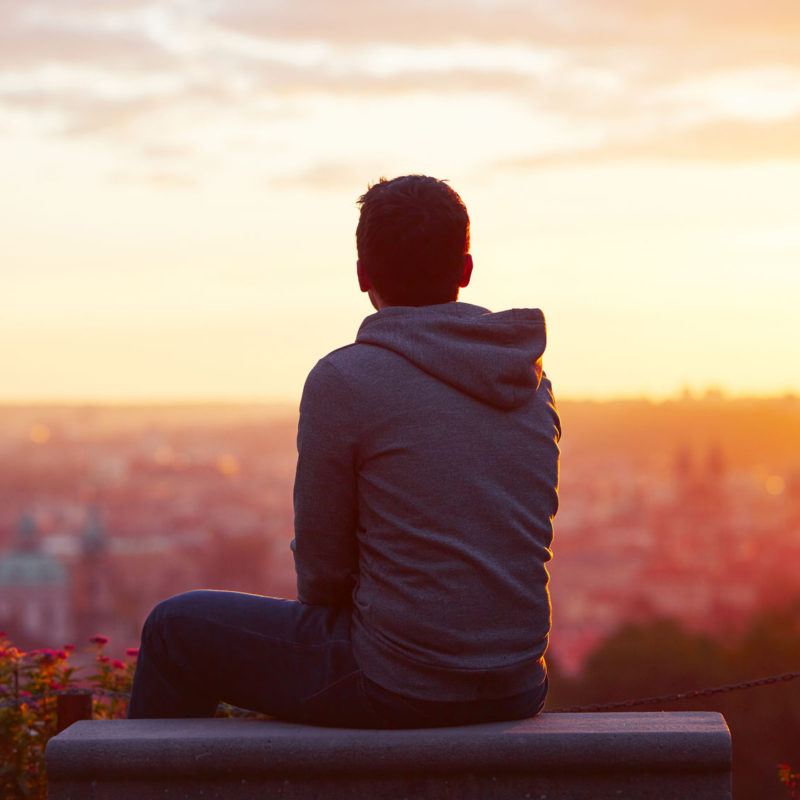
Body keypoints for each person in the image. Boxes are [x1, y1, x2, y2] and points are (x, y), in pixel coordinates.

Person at [127, 174, 561, 728]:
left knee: (174, 628)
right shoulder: (528, 379)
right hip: (519, 685)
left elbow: (324, 568)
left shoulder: (346, 379)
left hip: (400, 683)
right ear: (466, 269)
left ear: (362, 276)